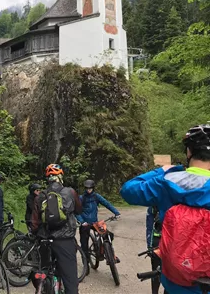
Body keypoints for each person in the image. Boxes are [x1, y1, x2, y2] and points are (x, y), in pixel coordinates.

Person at [121, 124, 210, 294]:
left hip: (174, 282)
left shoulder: (167, 181)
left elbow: (128, 190)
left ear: (189, 152)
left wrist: (162, 171)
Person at [31, 164, 82, 294]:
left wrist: (37, 235)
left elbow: (35, 223)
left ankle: (42, 286)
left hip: (45, 240)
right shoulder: (70, 192)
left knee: (43, 271)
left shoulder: (40, 196)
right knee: (70, 280)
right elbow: (78, 209)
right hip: (64, 240)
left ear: (48, 178)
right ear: (60, 177)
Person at [76, 179, 120, 258]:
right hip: (85, 223)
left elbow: (107, 204)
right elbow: (76, 211)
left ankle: (106, 253)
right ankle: (86, 263)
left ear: (93, 188)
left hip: (95, 222)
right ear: (85, 189)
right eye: (87, 188)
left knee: (108, 235)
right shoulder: (81, 198)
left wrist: (116, 212)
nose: (89, 190)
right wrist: (81, 221)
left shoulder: (96, 196)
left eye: (90, 188)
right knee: (84, 244)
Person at [146, 206, 162, 294]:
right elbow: (150, 227)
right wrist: (150, 247)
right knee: (156, 272)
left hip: (173, 244)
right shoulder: (153, 207)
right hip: (157, 243)